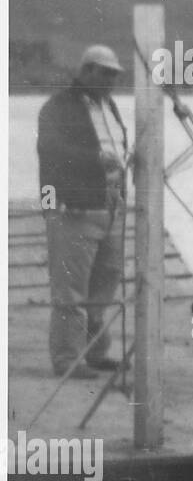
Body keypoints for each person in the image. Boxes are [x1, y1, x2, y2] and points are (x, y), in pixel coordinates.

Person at [38, 45, 130, 379]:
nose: (111, 81)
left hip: (111, 206)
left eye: (115, 75)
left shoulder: (111, 107)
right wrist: (49, 209)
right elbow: (49, 152)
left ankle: (92, 353)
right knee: (71, 290)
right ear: (86, 70)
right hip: (73, 209)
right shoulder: (57, 107)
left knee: (105, 283)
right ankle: (67, 359)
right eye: (105, 74)